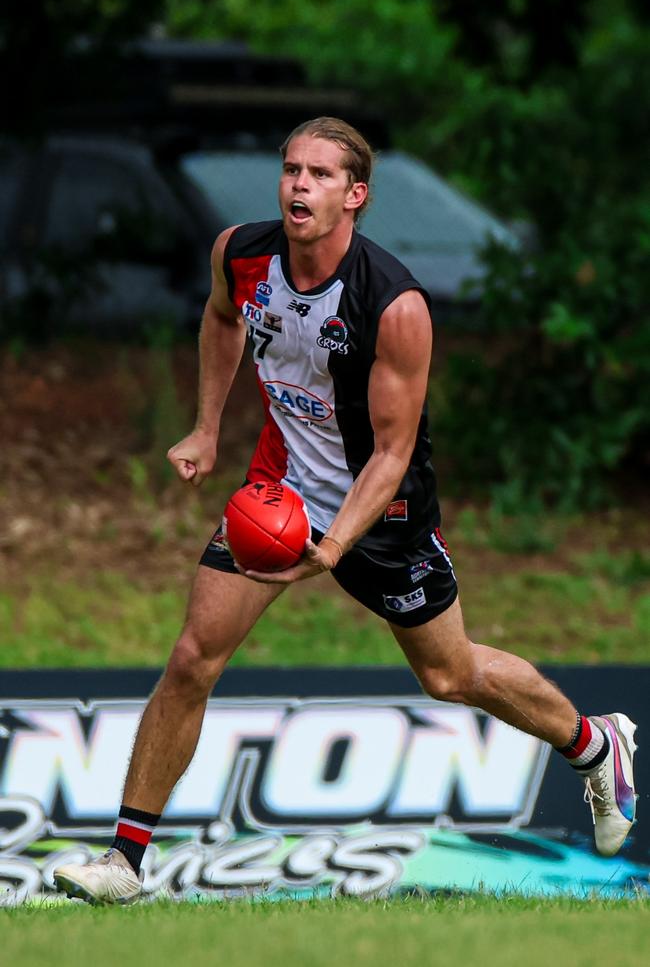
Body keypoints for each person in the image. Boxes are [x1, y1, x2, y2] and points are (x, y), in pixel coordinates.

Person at [54, 117, 637, 904]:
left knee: (449, 673)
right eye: (292, 169)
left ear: (356, 195)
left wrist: (332, 546)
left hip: (382, 511)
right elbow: (223, 317)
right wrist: (204, 424)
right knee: (194, 657)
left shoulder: (393, 305)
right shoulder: (241, 252)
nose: (300, 184)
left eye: (322, 175)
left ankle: (595, 743)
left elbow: (393, 454)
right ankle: (123, 864)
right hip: (279, 489)